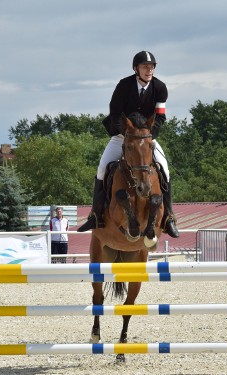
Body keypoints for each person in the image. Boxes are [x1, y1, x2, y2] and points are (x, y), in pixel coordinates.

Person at [77, 50, 179, 238]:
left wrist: (147, 135)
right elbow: (115, 113)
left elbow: (160, 116)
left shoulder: (160, 88)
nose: (149, 70)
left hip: (146, 138)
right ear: (135, 69)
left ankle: (169, 218)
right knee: (102, 168)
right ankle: (95, 214)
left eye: (151, 67)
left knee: (164, 169)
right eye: (145, 67)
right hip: (122, 136)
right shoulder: (124, 86)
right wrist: (128, 133)